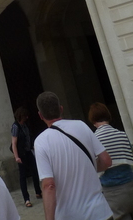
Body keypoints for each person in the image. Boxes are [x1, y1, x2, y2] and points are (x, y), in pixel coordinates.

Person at [34, 91, 112, 220]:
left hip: (70, 215)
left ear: (40, 115)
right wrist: (86, 168)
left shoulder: (41, 141)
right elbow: (106, 160)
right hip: (100, 212)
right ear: (61, 109)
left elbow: (49, 185)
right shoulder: (81, 125)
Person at [88, 102, 133, 220]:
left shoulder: (94, 140)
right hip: (131, 185)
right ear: (108, 116)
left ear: (93, 120)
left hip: (112, 190)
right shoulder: (122, 135)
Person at [11, 106, 41, 207]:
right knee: (23, 176)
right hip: (21, 154)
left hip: (28, 151)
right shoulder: (15, 127)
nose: (27, 118)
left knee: (35, 171)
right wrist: (16, 157)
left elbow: (29, 138)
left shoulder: (26, 125)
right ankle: (26, 199)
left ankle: (38, 191)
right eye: (25, 116)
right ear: (21, 116)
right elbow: (14, 143)